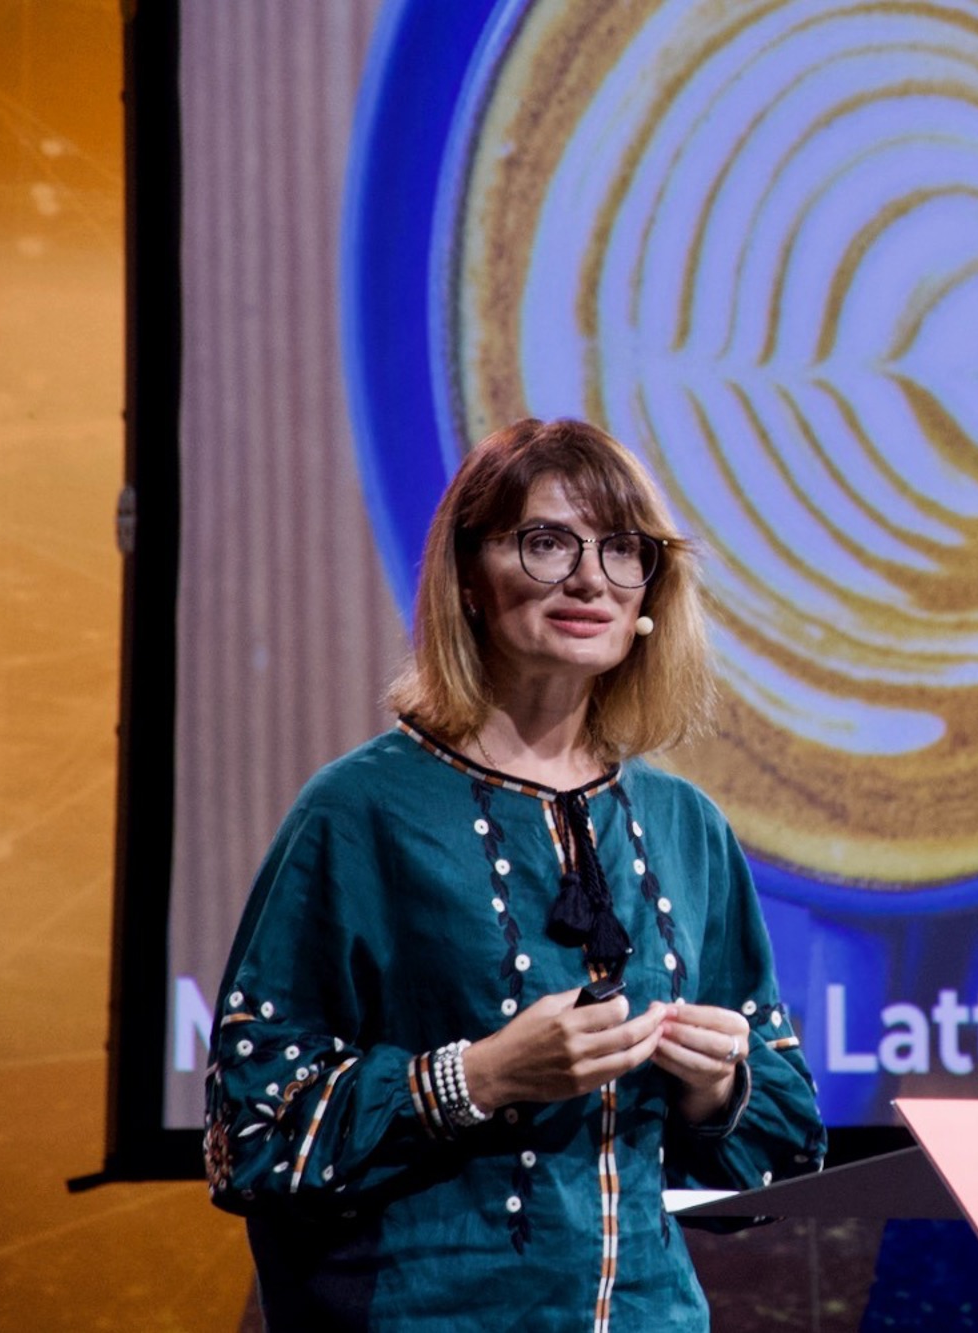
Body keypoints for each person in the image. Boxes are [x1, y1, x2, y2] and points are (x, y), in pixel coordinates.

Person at [204, 417, 826, 1330]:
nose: (591, 578)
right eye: (546, 542)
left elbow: (783, 1143)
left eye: (624, 549)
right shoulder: (359, 811)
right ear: (467, 577)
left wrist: (718, 1087)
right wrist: (480, 1076)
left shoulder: (684, 823)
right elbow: (252, 1134)